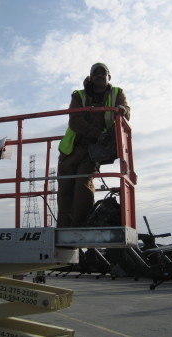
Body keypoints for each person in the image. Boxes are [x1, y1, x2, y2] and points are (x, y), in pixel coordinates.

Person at [56, 63, 130, 228]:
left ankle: (79, 228)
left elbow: (126, 110)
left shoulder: (116, 93)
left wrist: (122, 109)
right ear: (90, 77)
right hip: (71, 149)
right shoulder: (78, 96)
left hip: (92, 151)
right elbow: (74, 121)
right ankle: (63, 229)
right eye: (95, 73)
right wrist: (98, 134)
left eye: (103, 73)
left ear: (108, 77)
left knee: (83, 187)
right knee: (65, 190)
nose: (99, 76)